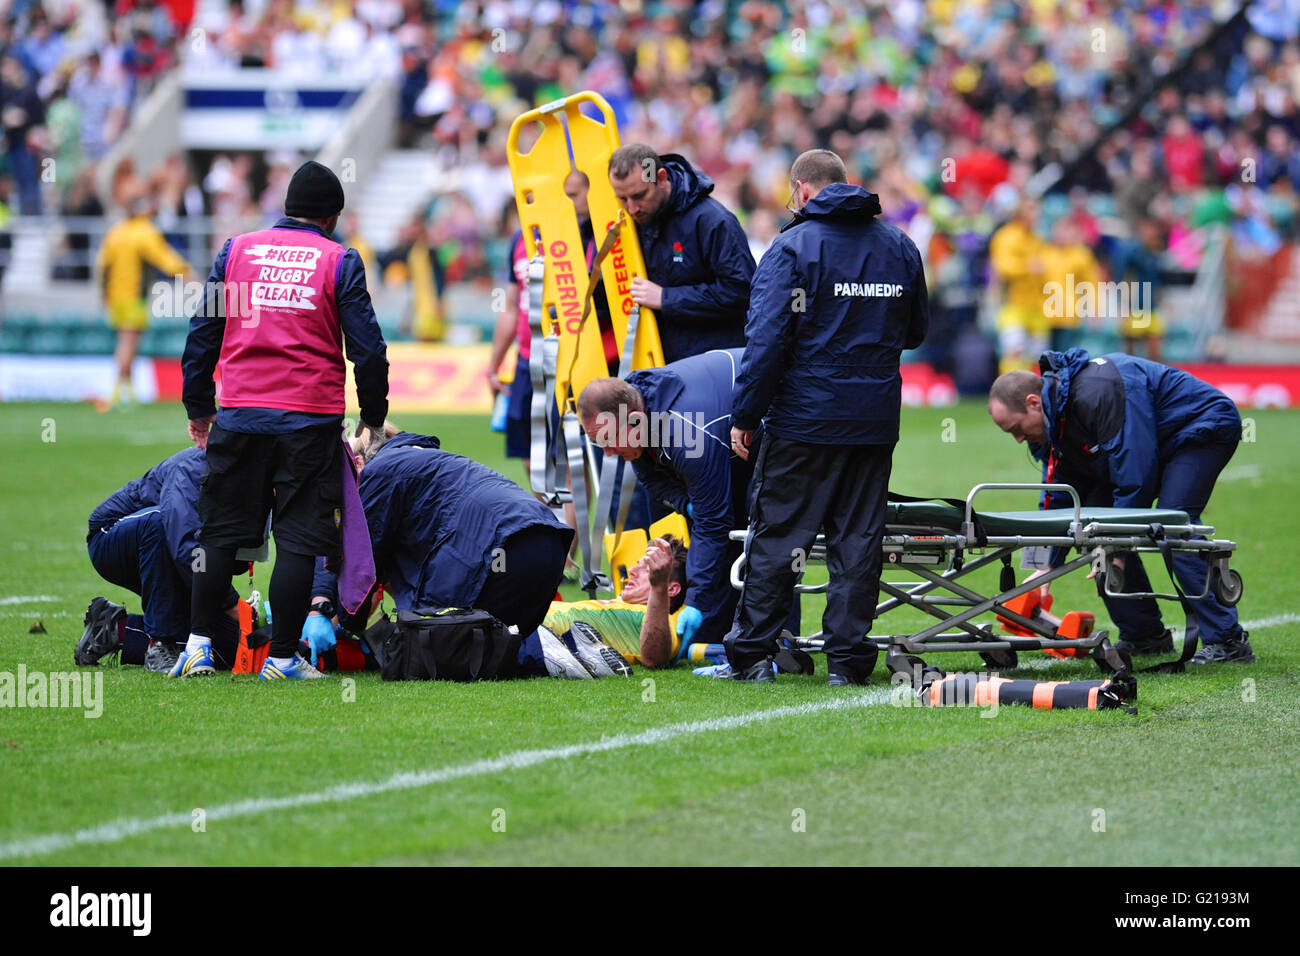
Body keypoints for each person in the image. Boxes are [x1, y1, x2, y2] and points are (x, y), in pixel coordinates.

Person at [179, 160, 390, 680]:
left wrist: (199, 405)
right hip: (308, 418)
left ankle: (198, 646)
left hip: (241, 412)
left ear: (286, 208)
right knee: (299, 539)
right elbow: (368, 349)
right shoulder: (339, 260)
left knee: (219, 531)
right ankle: (281, 659)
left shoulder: (236, 250)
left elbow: (204, 330)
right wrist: (374, 415)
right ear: (331, 218)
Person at [726, 149, 928, 685]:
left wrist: (745, 414)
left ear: (801, 189)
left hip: (803, 421)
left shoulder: (791, 247)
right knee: (859, 541)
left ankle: (753, 658)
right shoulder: (899, 245)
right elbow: (916, 332)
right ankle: (847, 661)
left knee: (779, 537)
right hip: (873, 420)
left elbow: (765, 341)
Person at [986, 351, 1253, 664]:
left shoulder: (1098, 392)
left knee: (1175, 524)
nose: (1018, 439)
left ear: (1034, 402)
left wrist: (1117, 548)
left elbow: (1135, 475)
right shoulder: (1048, 425)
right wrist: (1042, 569)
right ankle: (1144, 636)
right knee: (1092, 532)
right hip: (1149, 445)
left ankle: (1228, 641)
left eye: (1015, 428)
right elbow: (1059, 497)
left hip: (1199, 427)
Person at [312, 427, 607, 678]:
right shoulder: (424, 461)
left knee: (429, 646)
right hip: (547, 542)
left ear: (359, 461)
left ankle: (544, 649)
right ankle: (565, 648)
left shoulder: (379, 474)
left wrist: (342, 619)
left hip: (502, 548)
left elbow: (358, 562)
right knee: (485, 653)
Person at [578, 347, 797, 651]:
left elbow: (713, 523)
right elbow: (650, 476)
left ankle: (780, 642)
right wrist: (685, 503)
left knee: (761, 524)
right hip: (738, 435)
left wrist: (695, 602)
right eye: (597, 442)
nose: (608, 453)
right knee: (723, 526)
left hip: (794, 419)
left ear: (636, 419)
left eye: (608, 440)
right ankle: (729, 635)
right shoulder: (633, 399)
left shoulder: (686, 433)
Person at [77, 447, 242, 673]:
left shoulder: (251, 475)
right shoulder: (192, 468)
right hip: (111, 536)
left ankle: (117, 629)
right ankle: (160, 643)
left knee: (232, 645)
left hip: (174, 552)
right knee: (160, 524)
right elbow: (185, 545)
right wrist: (231, 602)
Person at [607, 143, 754, 364]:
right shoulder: (627, 222)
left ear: (662, 178)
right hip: (656, 364)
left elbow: (741, 292)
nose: (632, 208)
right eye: (623, 198)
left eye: (639, 195)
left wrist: (666, 298)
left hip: (712, 364)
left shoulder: (712, 221)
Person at [96, 185, 198, 408]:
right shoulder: (144, 232)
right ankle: (116, 392)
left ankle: (128, 390)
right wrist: (187, 273)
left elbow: (102, 265)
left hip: (116, 295)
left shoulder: (117, 232)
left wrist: (103, 294)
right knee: (129, 342)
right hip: (134, 296)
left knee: (127, 341)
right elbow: (165, 257)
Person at [543, 536, 688, 669]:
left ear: (671, 589)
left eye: (648, 569)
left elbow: (655, 658)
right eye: (637, 564)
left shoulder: (664, 624)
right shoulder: (622, 606)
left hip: (538, 635)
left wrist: (658, 587)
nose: (632, 570)